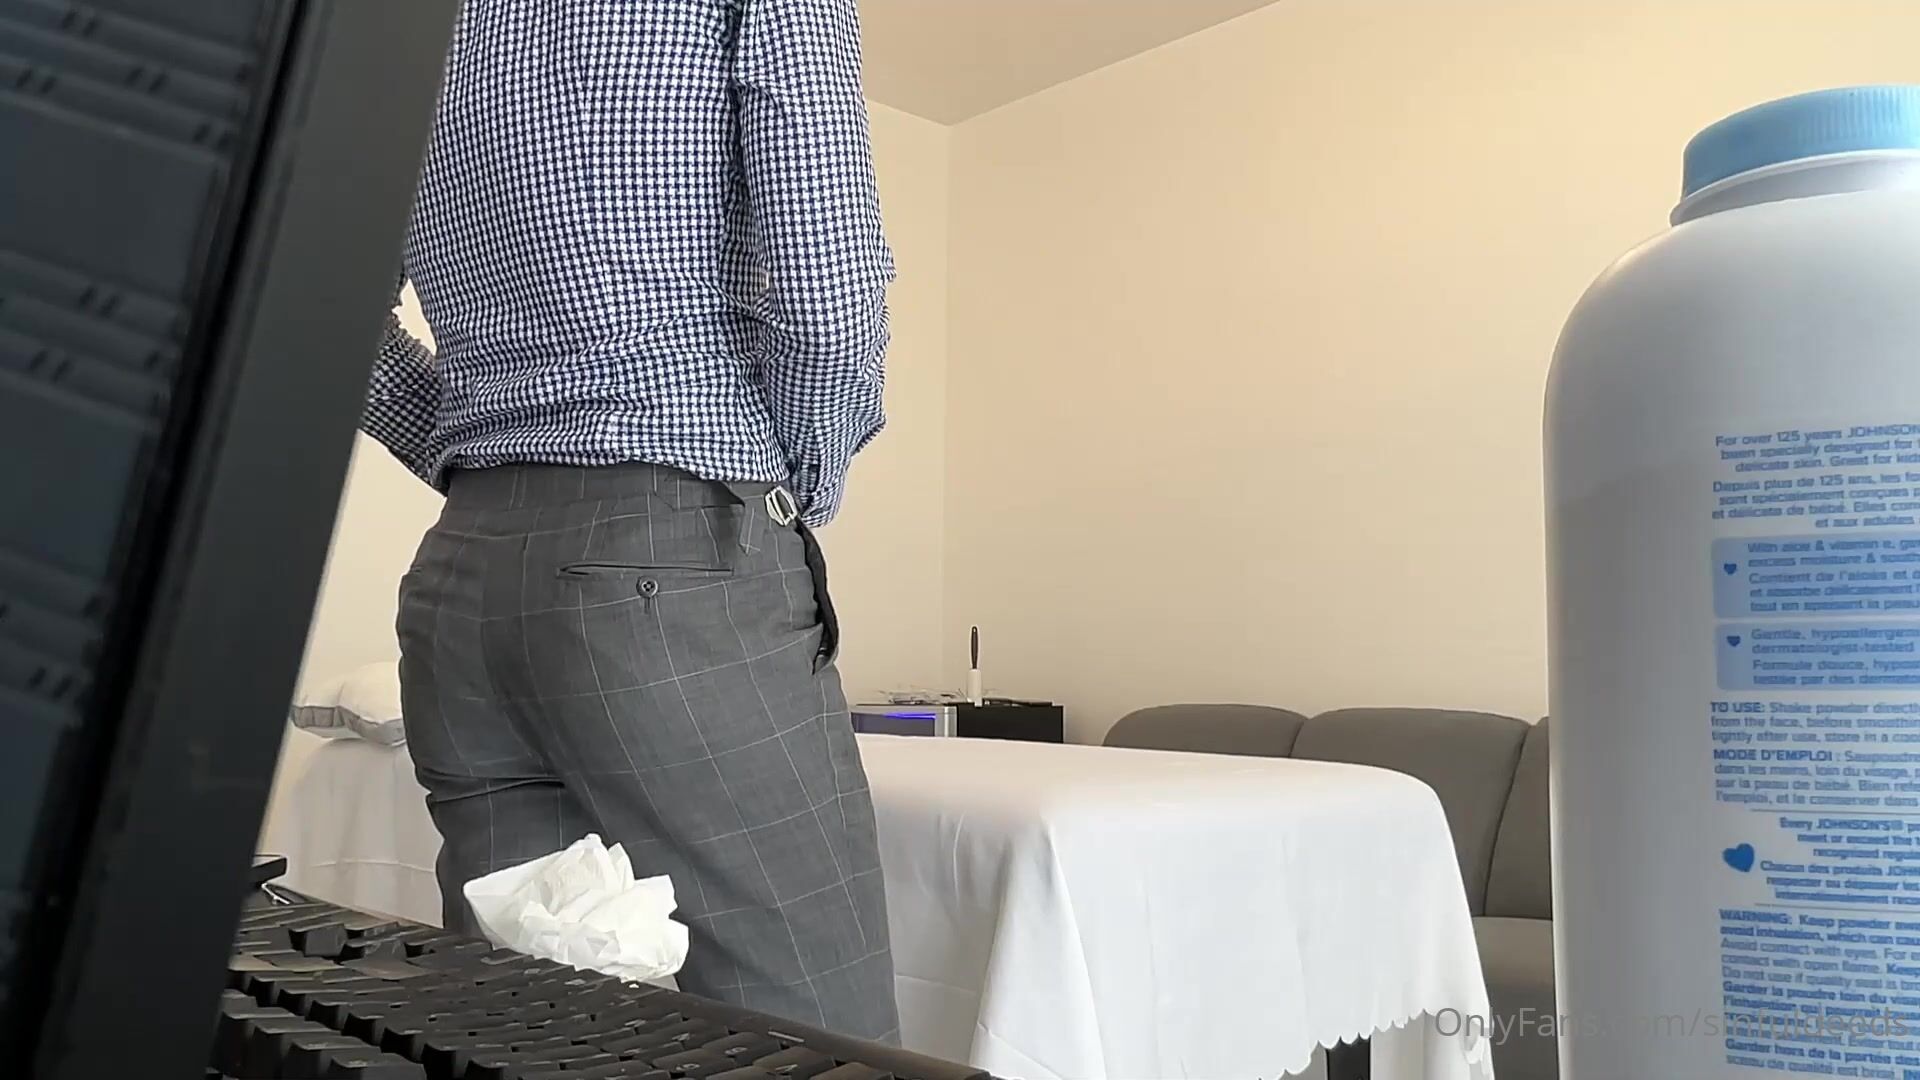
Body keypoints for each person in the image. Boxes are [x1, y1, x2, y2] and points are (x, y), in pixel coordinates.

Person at [358, 0, 899, 1041]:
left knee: (524, 1024)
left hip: (464, 581)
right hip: (667, 549)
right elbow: (827, 291)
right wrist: (786, 481)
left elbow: (331, 308)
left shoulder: (401, 34)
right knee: (812, 1032)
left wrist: (469, 456)